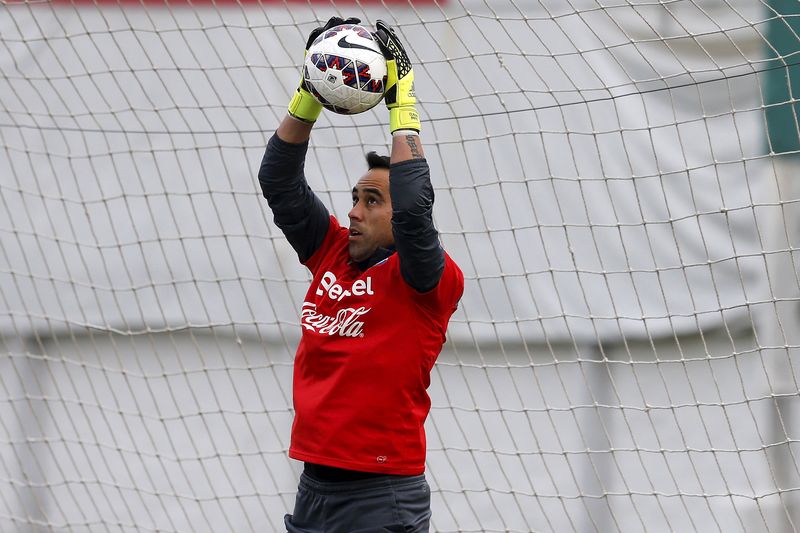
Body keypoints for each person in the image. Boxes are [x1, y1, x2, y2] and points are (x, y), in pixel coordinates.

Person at [258, 16, 464, 533]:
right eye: (354, 198)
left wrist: (402, 101)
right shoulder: (331, 252)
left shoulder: (427, 280)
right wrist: (309, 90)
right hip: (314, 488)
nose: (353, 211)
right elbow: (278, 180)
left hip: (382, 494)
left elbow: (415, 211)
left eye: (371, 201)